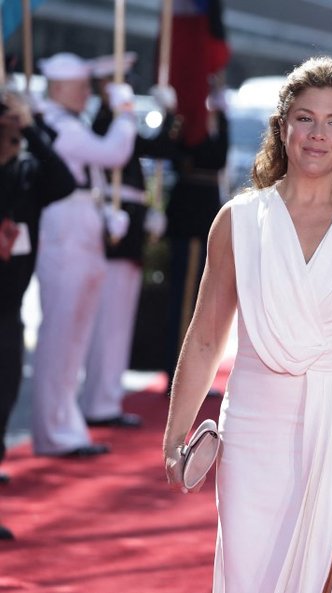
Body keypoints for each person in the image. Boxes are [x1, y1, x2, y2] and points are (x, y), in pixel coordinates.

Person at [161, 56, 332, 592]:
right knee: (251, 575)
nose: (318, 134)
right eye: (305, 118)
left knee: (328, 570)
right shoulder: (239, 220)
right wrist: (175, 435)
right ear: (282, 125)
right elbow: (207, 336)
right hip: (255, 422)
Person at [30, 52, 137, 457]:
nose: (87, 94)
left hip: (80, 229)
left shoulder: (66, 122)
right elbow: (113, 153)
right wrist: (126, 111)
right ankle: (53, 432)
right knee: (60, 337)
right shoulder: (58, 126)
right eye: (80, 87)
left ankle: (65, 426)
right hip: (64, 237)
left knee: (73, 339)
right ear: (58, 90)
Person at [77, 53, 179, 428]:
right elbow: (114, 156)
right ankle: (98, 401)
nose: (127, 88)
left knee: (118, 319)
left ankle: (105, 397)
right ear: (105, 86)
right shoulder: (105, 120)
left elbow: (156, 150)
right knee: (108, 319)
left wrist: (169, 116)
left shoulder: (119, 120)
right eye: (118, 82)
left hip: (130, 221)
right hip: (114, 224)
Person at [0, 89, 77, 540]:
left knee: (4, 398)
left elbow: (64, 180)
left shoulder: (29, 171)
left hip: (8, 309)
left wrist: (30, 124)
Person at [162, 78, 229, 397]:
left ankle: (191, 373)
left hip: (201, 216)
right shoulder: (190, 125)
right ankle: (179, 373)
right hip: (191, 217)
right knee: (187, 299)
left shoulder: (208, 123)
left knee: (201, 302)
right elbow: (210, 156)